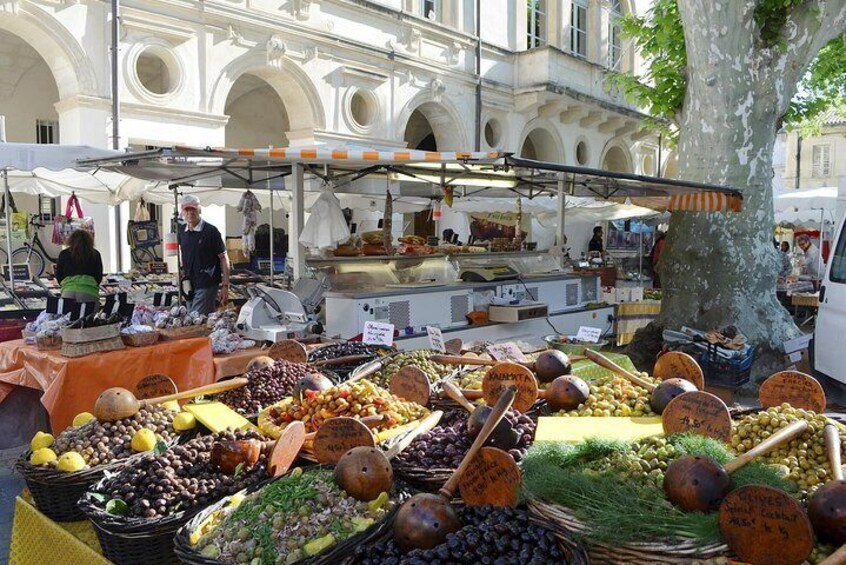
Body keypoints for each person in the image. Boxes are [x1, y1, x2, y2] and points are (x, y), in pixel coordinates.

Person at [179, 195, 230, 314]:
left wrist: (225, 285)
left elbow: (223, 258)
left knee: (195, 317)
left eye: (193, 209)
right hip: (189, 283)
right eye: (187, 210)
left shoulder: (211, 231)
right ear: (182, 212)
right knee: (198, 320)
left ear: (199, 210)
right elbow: (184, 253)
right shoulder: (182, 231)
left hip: (207, 282)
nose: (190, 213)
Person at [55, 230, 103, 306]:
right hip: (89, 291)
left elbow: (59, 275)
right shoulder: (95, 254)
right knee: (88, 317)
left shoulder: (64, 254)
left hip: (68, 292)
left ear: (71, 240)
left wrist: (65, 286)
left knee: (67, 317)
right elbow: (98, 276)